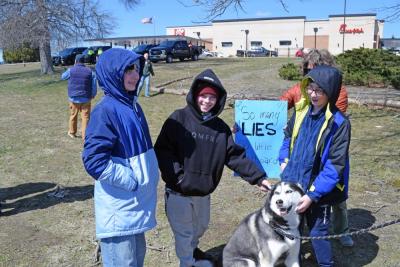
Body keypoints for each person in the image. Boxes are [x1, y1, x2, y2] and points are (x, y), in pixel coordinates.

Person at [154, 69, 271, 267]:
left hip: (203, 193)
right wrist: (178, 177)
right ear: (195, 95)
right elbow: (163, 150)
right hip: (178, 193)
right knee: (184, 233)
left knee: (200, 227)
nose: (207, 101)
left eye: (212, 97)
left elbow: (235, 157)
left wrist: (258, 178)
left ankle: (192, 251)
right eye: (203, 96)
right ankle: (187, 262)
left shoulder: (220, 129)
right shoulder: (178, 119)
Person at [82, 48, 159, 267]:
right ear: (112, 73)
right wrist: (130, 179)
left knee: (136, 261)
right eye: (128, 70)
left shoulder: (133, 106)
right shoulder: (105, 111)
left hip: (136, 206)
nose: (135, 75)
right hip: (120, 208)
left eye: (136, 68)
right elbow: (94, 161)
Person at [280, 48, 353, 247]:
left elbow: (331, 122)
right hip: (302, 160)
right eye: (307, 70)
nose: (311, 74)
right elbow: (277, 108)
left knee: (335, 199)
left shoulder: (338, 90)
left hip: (325, 156)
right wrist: (247, 124)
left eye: (315, 69)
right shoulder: (299, 88)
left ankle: (341, 230)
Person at [61, 54, 97, 140]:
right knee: (85, 117)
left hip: (74, 98)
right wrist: (93, 94)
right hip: (86, 98)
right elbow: (94, 85)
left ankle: (72, 132)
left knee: (73, 115)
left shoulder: (71, 70)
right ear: (83, 61)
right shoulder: (90, 71)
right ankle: (85, 136)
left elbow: (63, 77)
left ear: (75, 61)